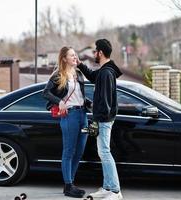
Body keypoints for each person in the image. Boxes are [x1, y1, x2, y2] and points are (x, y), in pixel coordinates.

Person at [77, 39, 123, 200]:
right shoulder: (106, 71)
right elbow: (92, 76)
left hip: (104, 120)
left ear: (101, 53)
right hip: (105, 119)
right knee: (103, 152)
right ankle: (107, 187)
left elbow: (104, 102)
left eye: (95, 51)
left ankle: (115, 191)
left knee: (104, 152)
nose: (94, 54)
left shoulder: (106, 73)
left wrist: (96, 121)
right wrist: (80, 64)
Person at [42, 46, 89, 198]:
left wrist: (90, 103)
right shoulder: (58, 75)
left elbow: (80, 95)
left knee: (80, 150)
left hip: (83, 115)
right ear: (64, 59)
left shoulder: (79, 73)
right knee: (69, 151)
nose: (75, 57)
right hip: (70, 115)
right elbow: (46, 93)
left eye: (75, 55)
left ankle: (71, 183)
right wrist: (59, 101)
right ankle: (68, 186)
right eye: (72, 55)